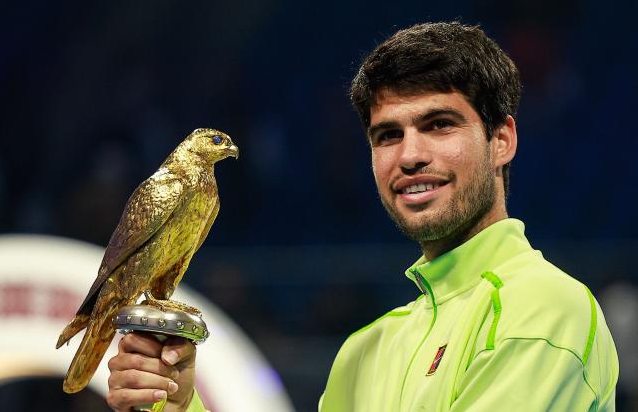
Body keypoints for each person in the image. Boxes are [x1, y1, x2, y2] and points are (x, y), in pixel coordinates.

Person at [106, 22, 619, 411]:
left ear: (501, 140)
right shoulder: (365, 349)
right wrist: (178, 403)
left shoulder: (542, 312)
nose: (410, 154)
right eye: (388, 135)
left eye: (439, 125)